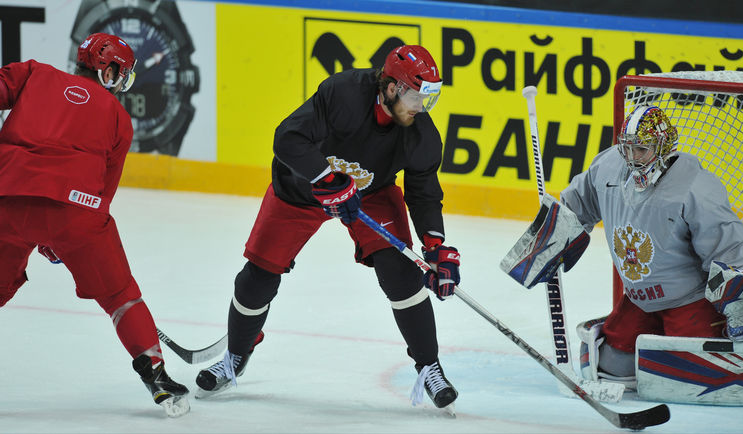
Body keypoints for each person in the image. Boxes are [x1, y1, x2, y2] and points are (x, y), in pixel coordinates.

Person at [195, 45, 460, 410]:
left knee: (402, 275)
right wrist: (326, 177)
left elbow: (425, 193)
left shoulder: (420, 134)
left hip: (371, 193)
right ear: (392, 87)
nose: (421, 108)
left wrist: (436, 247)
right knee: (257, 276)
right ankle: (236, 356)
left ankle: (429, 365)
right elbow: (287, 137)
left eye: (430, 99)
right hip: (303, 189)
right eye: (417, 97)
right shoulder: (344, 93)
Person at [506, 105, 743, 387]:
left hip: (688, 300)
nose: (632, 159)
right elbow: (578, 204)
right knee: (608, 366)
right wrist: (551, 236)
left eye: (641, 149)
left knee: (687, 374)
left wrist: (736, 290)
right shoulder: (607, 167)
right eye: (626, 149)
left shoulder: (694, 186)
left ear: (663, 146)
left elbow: (725, 244)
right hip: (639, 298)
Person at [0, 33, 189, 417]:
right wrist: (63, 238)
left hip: (7, 198)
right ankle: (157, 375)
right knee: (121, 295)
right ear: (110, 69)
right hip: (77, 213)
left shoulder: (33, 73)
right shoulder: (118, 116)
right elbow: (104, 192)